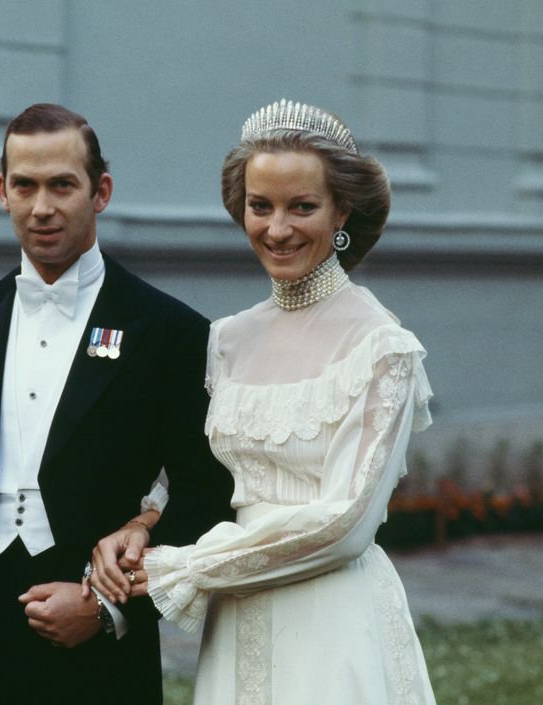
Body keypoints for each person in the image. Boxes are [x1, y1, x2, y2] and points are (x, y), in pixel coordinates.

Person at [89, 99, 437, 704]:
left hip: (332, 626)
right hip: (236, 623)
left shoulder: (382, 347)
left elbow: (345, 525)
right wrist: (144, 523)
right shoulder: (226, 339)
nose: (277, 229)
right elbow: (207, 471)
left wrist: (184, 569)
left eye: (302, 207)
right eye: (261, 206)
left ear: (341, 211)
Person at [0, 103, 233, 705]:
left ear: (100, 192)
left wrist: (108, 608)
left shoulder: (169, 331)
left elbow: (206, 492)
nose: (41, 207)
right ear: (2, 191)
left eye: (62, 186)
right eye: (24, 185)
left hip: (94, 642)